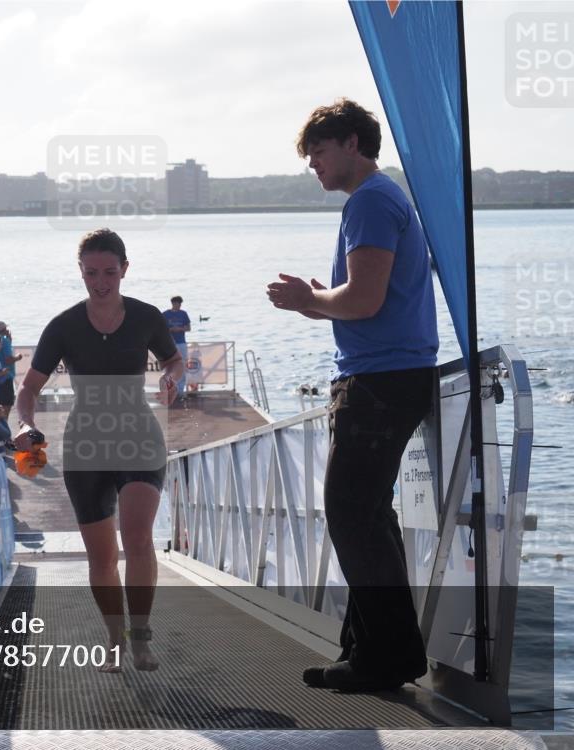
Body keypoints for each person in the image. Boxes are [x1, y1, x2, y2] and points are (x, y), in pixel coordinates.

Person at [267, 98, 438, 692]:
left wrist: (306, 300)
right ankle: (370, 651)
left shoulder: (369, 201)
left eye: (317, 150)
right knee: (367, 516)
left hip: (380, 382)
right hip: (389, 375)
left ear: (350, 144)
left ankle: (388, 656)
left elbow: (362, 302)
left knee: (350, 514)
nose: (312, 163)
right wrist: (318, 298)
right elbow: (365, 300)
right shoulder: (379, 200)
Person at [14, 228, 184, 673]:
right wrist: (27, 425)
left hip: (140, 437)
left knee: (138, 537)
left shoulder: (147, 316)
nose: (101, 281)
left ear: (125, 270)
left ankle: (142, 636)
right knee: (102, 557)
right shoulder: (64, 325)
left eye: (110, 272)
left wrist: (172, 378)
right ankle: (114, 637)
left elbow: (173, 360)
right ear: (81, 272)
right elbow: (28, 389)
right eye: (92, 273)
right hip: (87, 443)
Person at [162, 296, 191, 399]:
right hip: (170, 343)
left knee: (182, 365)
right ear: (172, 303)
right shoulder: (165, 314)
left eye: (179, 304)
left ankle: (180, 390)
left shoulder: (183, 314)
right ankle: (169, 389)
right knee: (169, 366)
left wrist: (179, 328)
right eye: (176, 303)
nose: (178, 305)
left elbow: (188, 328)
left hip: (181, 343)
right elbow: (161, 329)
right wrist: (170, 329)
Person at [0, 321, 23, 419]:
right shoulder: (4, 341)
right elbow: (8, 359)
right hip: (6, 377)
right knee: (6, 405)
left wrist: (9, 341)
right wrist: (18, 357)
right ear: (4, 330)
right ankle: (3, 428)